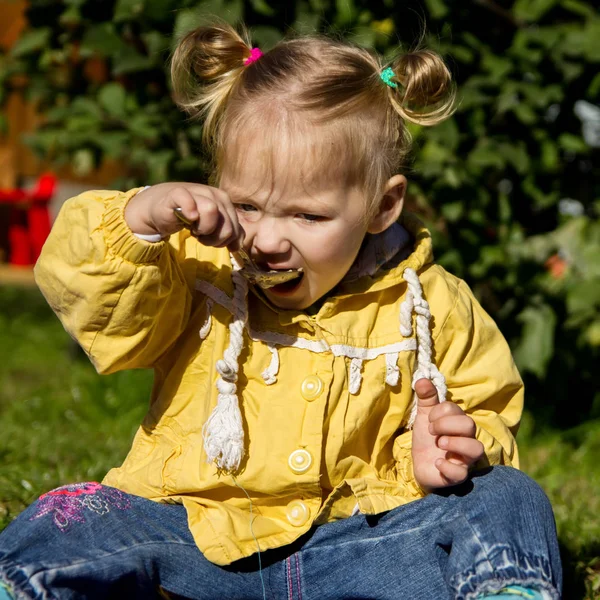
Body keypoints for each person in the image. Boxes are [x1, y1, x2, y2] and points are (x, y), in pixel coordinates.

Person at [0, 21, 561, 600]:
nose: (266, 239)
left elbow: (484, 410)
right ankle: (24, 585)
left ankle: (503, 589)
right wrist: (139, 221)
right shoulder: (198, 267)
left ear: (382, 205)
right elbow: (106, 313)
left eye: (307, 217)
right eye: (246, 205)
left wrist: (444, 454)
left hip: (357, 547)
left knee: (508, 497)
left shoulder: (433, 308)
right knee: (74, 513)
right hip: (190, 536)